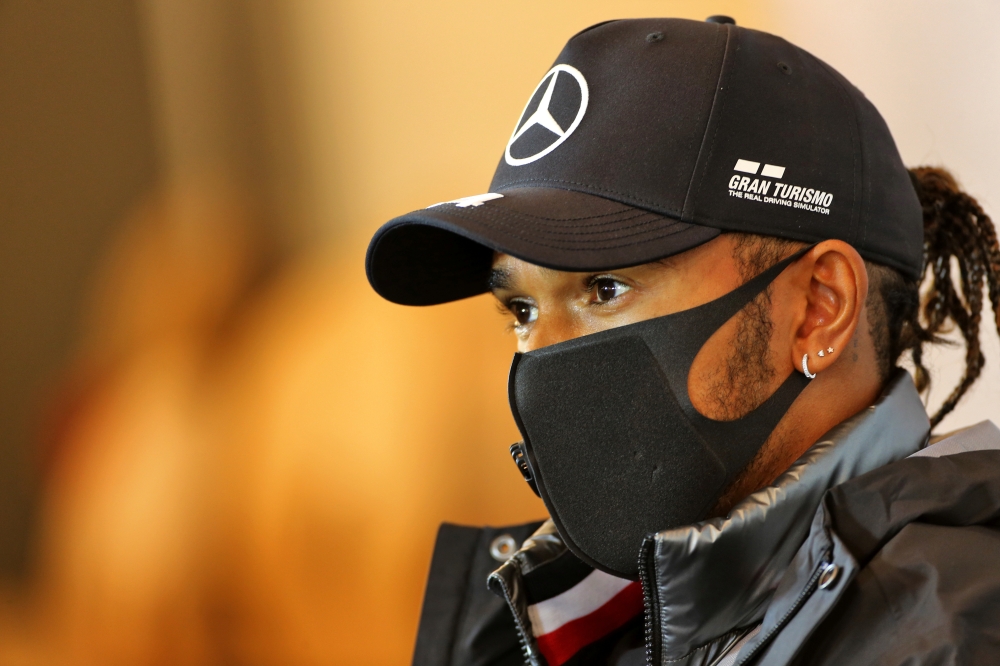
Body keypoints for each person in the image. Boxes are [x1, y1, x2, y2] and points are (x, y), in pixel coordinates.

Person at [365, 17, 1000, 666]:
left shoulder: (958, 634)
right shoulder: (555, 618)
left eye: (605, 288)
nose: (542, 357)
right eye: (521, 309)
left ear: (819, 308)